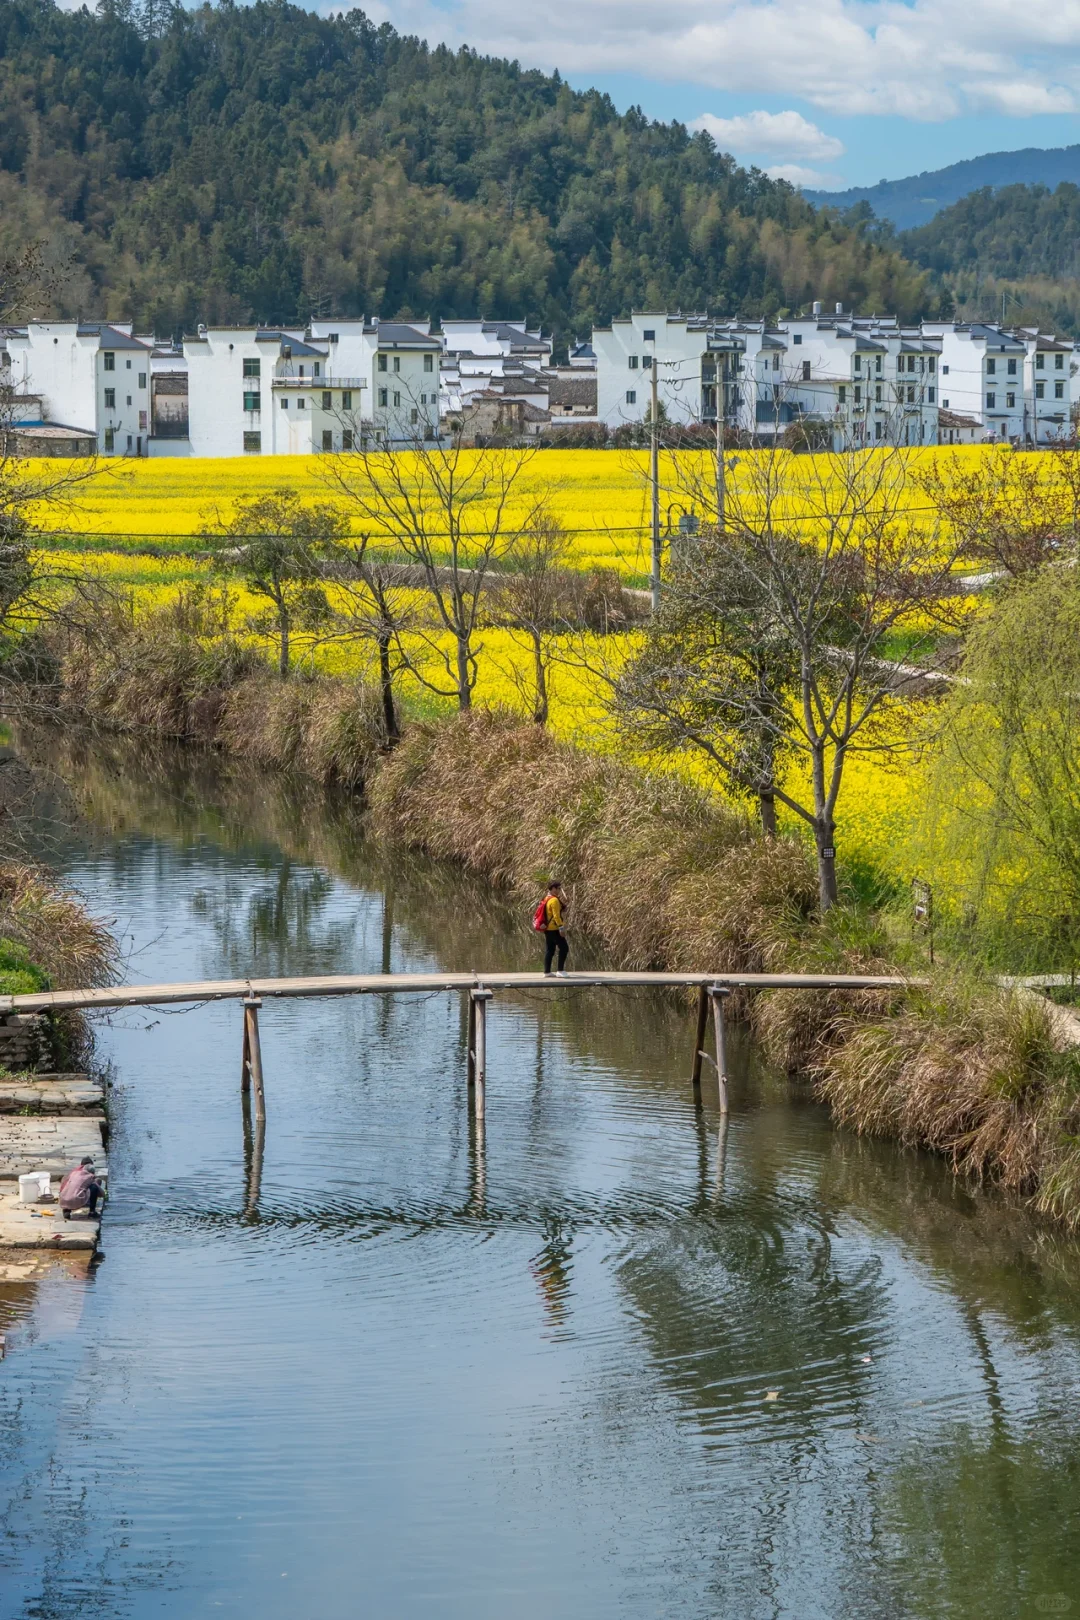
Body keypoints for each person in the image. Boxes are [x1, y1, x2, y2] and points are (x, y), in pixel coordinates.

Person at [59, 1156, 105, 1221]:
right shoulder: (90, 1176)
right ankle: (92, 1212)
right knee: (94, 1187)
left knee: (73, 1188)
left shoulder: (74, 1172)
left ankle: (66, 1210)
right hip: (75, 1199)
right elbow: (102, 1194)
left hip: (63, 1200)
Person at [541, 880, 569, 976]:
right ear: (552, 889)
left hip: (547, 929)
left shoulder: (547, 898)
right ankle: (560, 971)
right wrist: (561, 928)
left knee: (550, 950)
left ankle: (547, 971)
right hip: (554, 929)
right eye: (557, 888)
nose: (559, 890)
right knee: (564, 948)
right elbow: (556, 916)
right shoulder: (554, 900)